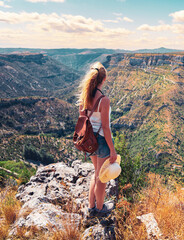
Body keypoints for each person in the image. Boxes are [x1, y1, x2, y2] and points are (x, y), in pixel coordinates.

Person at [77, 62, 117, 215]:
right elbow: (106, 127)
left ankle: (91, 206)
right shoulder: (103, 100)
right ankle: (100, 209)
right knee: (102, 177)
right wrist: (112, 150)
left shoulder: (84, 98)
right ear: (104, 79)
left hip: (89, 140)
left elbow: (82, 120)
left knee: (96, 172)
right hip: (101, 141)